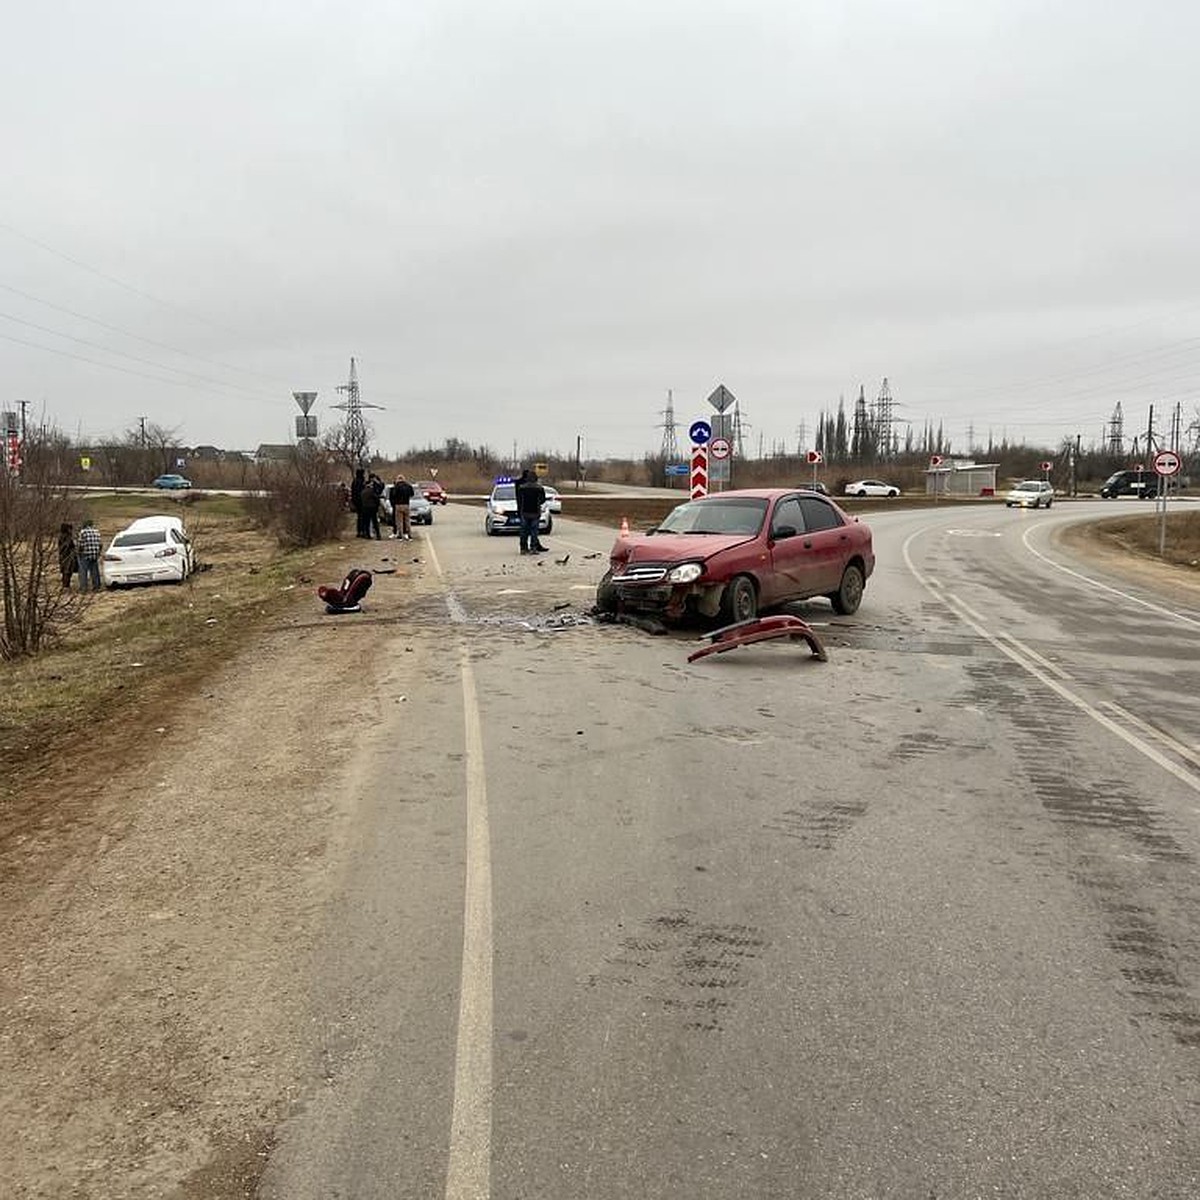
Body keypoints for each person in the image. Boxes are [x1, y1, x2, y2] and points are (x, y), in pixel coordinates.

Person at [515, 469, 548, 555]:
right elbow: (543, 500)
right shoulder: (539, 488)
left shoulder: (521, 488)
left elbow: (519, 500)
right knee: (534, 531)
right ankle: (533, 548)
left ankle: (523, 548)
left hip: (524, 512)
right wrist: (537, 503)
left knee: (524, 531)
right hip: (535, 512)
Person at [77, 518, 102, 592]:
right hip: (94, 554)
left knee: (83, 572)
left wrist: (79, 552)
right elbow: (100, 544)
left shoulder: (83, 532)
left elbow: (81, 544)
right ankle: (96, 587)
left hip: (85, 554)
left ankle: (83, 588)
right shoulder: (96, 531)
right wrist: (98, 553)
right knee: (95, 571)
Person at [390, 474, 415, 539]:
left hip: (398, 505)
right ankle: (409, 534)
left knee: (399, 521)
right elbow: (412, 494)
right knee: (407, 520)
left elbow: (394, 495)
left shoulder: (396, 486)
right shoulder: (408, 486)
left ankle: (400, 535)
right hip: (406, 504)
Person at [361, 473, 384, 540]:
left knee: (367, 522)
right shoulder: (371, 491)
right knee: (375, 522)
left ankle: (367, 535)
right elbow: (376, 497)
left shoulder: (363, 492)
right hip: (372, 508)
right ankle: (378, 535)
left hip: (365, 508)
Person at [58, 522, 77, 589]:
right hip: (68, 556)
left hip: (63, 555)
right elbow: (69, 545)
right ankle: (66, 586)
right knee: (67, 571)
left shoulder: (61, 536)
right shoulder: (67, 537)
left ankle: (65, 585)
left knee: (65, 572)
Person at [351, 467, 368, 538]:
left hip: (356, 501)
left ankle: (359, 531)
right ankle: (363, 531)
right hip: (362, 501)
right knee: (363, 517)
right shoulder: (361, 481)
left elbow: (353, 492)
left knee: (359, 517)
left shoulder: (354, 481)